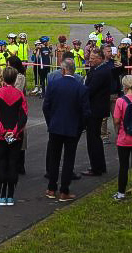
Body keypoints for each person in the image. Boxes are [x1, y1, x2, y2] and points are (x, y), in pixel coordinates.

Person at [42, 58, 90, 201]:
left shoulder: (53, 85)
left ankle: (51, 188)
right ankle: (64, 190)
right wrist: (80, 126)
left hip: (55, 126)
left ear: (63, 70)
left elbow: (46, 107)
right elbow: (86, 112)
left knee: (54, 158)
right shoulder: (81, 88)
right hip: (72, 128)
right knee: (69, 159)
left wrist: (50, 122)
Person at [0, 66, 28, 206]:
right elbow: (23, 116)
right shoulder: (20, 94)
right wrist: (15, 131)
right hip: (15, 136)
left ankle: (2, 195)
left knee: (1, 163)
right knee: (13, 163)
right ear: (15, 78)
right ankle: (10, 195)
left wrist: (2, 131)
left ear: (3, 78)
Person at [82, 45, 112, 177]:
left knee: (93, 139)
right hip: (98, 108)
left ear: (100, 58)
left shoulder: (100, 72)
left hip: (95, 109)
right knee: (95, 138)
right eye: (90, 58)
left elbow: (90, 89)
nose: (90, 61)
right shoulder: (99, 69)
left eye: (93, 58)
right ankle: (100, 165)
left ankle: (96, 167)